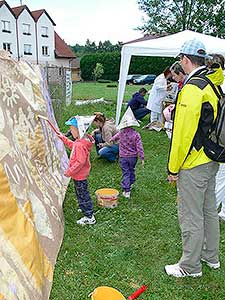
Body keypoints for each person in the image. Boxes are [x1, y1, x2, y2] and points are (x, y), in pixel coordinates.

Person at [165, 39, 223, 278]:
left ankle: (190, 266)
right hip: (211, 159)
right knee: (209, 210)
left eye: (181, 59)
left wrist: (173, 167)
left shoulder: (192, 88)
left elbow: (182, 134)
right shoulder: (212, 82)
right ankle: (211, 257)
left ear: (185, 60)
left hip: (193, 162)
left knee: (191, 215)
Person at [56, 115, 96, 226]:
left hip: (79, 175)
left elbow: (79, 162)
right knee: (81, 193)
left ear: (80, 129)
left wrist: (69, 172)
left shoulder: (79, 145)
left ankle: (89, 216)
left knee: (83, 194)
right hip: (80, 175)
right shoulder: (81, 141)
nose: (70, 131)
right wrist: (63, 138)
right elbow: (73, 146)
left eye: (72, 129)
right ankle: (84, 207)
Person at [111, 107, 144, 198]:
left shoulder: (121, 133)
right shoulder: (136, 134)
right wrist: (142, 157)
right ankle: (131, 181)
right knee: (131, 169)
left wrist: (111, 140)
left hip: (123, 157)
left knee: (126, 172)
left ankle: (126, 190)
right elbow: (139, 147)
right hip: (133, 157)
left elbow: (114, 138)